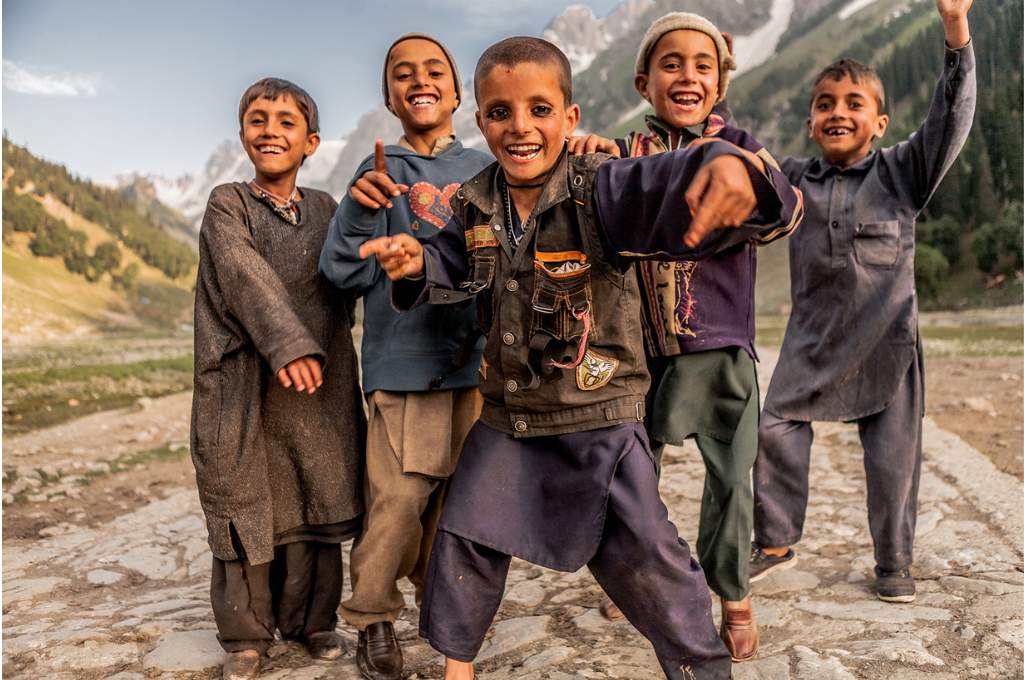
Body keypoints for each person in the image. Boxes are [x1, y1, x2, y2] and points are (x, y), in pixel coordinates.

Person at [360, 37, 802, 680]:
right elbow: (449, 260)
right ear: (480, 120)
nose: (521, 127)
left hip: (600, 415)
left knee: (652, 560)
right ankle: (458, 668)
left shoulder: (600, 186)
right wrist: (415, 260)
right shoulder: (473, 201)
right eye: (500, 112)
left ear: (570, 119)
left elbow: (660, 182)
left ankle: (702, 666)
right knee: (466, 535)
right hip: (511, 414)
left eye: (540, 110)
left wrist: (724, 165)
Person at [574, 12, 803, 663]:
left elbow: (785, 208)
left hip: (722, 349)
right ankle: (633, 575)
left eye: (703, 65)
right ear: (644, 81)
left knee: (732, 481)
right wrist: (592, 153)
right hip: (642, 352)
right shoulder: (623, 153)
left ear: (720, 80)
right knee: (633, 476)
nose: (688, 75)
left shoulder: (741, 143)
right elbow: (594, 200)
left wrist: (745, 173)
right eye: (671, 63)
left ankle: (733, 596)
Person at [750, 0, 976, 604]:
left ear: (880, 123)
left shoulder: (904, 172)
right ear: (809, 122)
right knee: (773, 429)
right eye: (825, 104)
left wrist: (955, 30)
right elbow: (738, 161)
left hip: (888, 339)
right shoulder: (792, 178)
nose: (838, 112)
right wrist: (715, 85)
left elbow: (949, 119)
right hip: (811, 340)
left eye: (854, 104)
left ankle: (894, 560)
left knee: (893, 460)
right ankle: (773, 541)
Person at [319, 33, 491, 680]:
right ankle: (374, 618)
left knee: (460, 501)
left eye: (434, 71)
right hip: (402, 365)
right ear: (390, 97)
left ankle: (443, 611)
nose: (419, 80)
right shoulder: (376, 175)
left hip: (476, 366)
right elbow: (340, 273)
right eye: (402, 73)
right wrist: (363, 220)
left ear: (455, 92)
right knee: (397, 499)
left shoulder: (484, 168)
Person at [190, 77, 365, 680]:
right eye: (258, 120)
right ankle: (244, 635)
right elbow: (244, 276)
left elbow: (348, 273)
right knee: (244, 497)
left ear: (311, 141)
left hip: (319, 385)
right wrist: (288, 343)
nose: (271, 130)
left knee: (316, 491)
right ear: (243, 135)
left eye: (286, 122)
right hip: (244, 382)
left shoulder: (325, 210)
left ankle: (312, 622)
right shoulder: (227, 203)